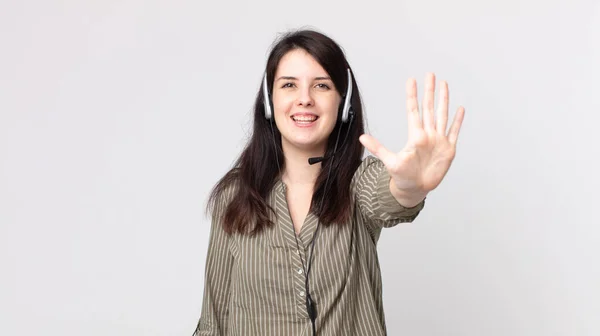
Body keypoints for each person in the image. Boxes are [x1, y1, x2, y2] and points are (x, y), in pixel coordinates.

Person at [193, 28, 465, 336]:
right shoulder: (234, 195)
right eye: (289, 85)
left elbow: (390, 198)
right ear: (270, 101)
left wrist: (413, 184)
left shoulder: (358, 183)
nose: (304, 99)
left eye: (321, 85)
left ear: (343, 102)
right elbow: (212, 322)